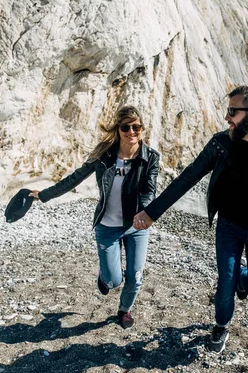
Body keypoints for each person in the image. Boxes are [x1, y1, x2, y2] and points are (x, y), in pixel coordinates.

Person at [133, 85, 248, 353]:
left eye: (232, 112)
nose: (227, 117)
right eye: (228, 111)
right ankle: (221, 325)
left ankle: (242, 278)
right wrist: (151, 213)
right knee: (225, 279)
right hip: (229, 226)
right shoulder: (220, 144)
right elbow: (187, 178)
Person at [30, 106, 159, 329]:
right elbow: (75, 178)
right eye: (125, 127)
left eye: (136, 127)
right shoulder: (104, 154)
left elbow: (149, 190)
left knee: (135, 276)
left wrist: (145, 214)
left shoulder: (150, 157)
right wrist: (44, 195)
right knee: (113, 281)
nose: (131, 132)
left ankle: (124, 310)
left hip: (136, 226)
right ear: (118, 130)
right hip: (107, 225)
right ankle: (105, 275)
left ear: (142, 129)